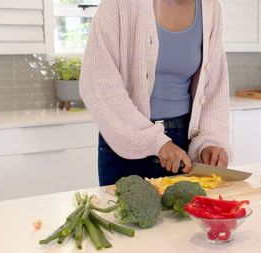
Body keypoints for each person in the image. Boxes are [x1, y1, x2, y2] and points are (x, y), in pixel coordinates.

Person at [80, 0, 231, 186]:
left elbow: (214, 85)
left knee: (182, 215)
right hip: (125, 139)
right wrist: (155, 141)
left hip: (182, 141)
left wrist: (209, 143)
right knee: (121, 213)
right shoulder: (119, 4)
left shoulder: (211, 8)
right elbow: (97, 82)